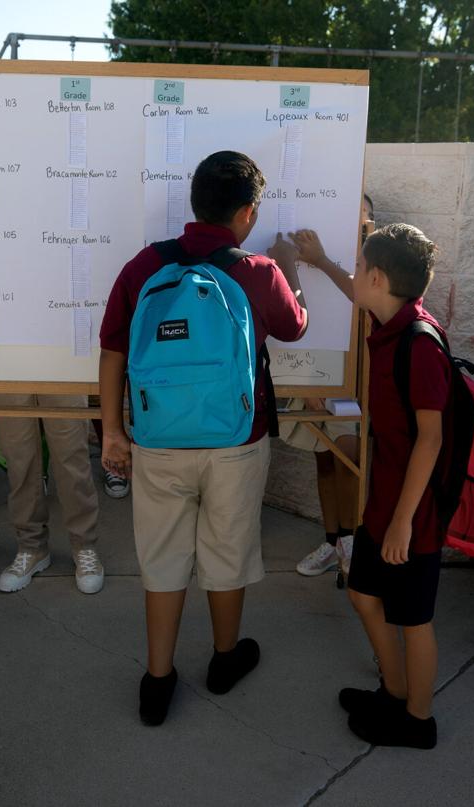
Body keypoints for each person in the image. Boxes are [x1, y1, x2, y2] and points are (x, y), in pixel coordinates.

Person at [98, 150, 308, 726]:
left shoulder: (145, 266)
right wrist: (289, 268)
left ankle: (158, 679)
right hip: (237, 440)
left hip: (158, 438)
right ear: (246, 212)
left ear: (193, 203)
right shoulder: (258, 271)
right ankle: (223, 658)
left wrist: (113, 430)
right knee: (227, 552)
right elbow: (293, 326)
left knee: (163, 559)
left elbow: (114, 346)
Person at [337, 222, 449, 750]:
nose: (355, 276)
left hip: (414, 510)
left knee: (413, 617)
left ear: (378, 277)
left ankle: (418, 720)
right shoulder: (386, 321)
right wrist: (317, 261)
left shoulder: (419, 342)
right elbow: (354, 289)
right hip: (385, 499)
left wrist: (404, 520)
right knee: (363, 594)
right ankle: (395, 690)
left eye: (360, 268)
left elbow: (431, 439)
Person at [282, 194, 372, 578]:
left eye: (363, 216)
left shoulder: (372, 260)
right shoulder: (308, 248)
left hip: (354, 375)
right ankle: (333, 539)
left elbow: (360, 298)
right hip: (315, 366)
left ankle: (351, 543)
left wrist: (318, 258)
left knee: (349, 456)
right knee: (324, 455)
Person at [0, 394, 104, 595]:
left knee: (72, 459)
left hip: (62, 367)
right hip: (9, 369)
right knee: (19, 459)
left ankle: (84, 545)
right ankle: (31, 547)